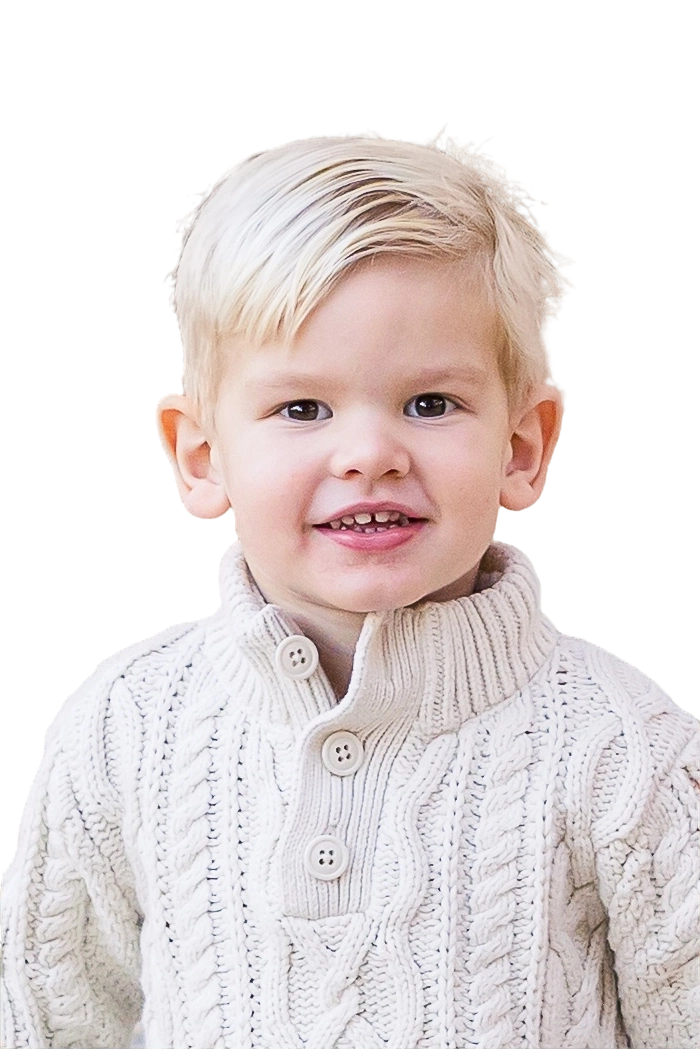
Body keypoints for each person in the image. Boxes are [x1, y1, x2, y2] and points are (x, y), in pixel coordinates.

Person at [2, 127, 698, 1049]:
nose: (369, 453)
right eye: (302, 408)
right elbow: (52, 1021)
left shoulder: (626, 748)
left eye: (430, 403)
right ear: (200, 458)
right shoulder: (126, 725)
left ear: (523, 447)